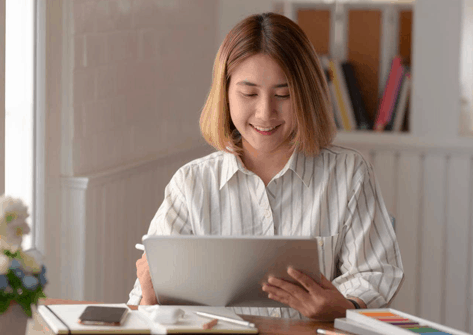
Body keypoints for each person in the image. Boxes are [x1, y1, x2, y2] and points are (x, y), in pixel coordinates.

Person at [127, 12, 404, 321]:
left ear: (307, 95)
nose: (265, 112)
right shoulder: (192, 183)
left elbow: (376, 271)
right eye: (248, 94)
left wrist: (345, 306)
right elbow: (143, 306)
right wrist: (150, 297)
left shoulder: (350, 173)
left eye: (283, 94)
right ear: (226, 93)